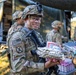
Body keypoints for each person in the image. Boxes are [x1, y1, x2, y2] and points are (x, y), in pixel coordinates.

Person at [7, 4, 60, 75]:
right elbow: (18, 66)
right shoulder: (17, 37)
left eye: (39, 19)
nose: (38, 22)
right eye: (34, 19)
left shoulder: (37, 34)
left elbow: (42, 50)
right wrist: (44, 66)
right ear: (25, 19)